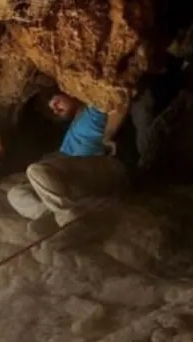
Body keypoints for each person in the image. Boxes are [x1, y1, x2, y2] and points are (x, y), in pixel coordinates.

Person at [7, 92, 131, 235]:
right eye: (53, 109)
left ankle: (71, 220)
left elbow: (121, 100)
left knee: (36, 171)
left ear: (70, 92)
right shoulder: (74, 123)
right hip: (71, 176)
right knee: (15, 193)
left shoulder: (94, 107)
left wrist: (108, 136)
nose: (55, 109)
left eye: (57, 102)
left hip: (95, 166)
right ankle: (52, 213)